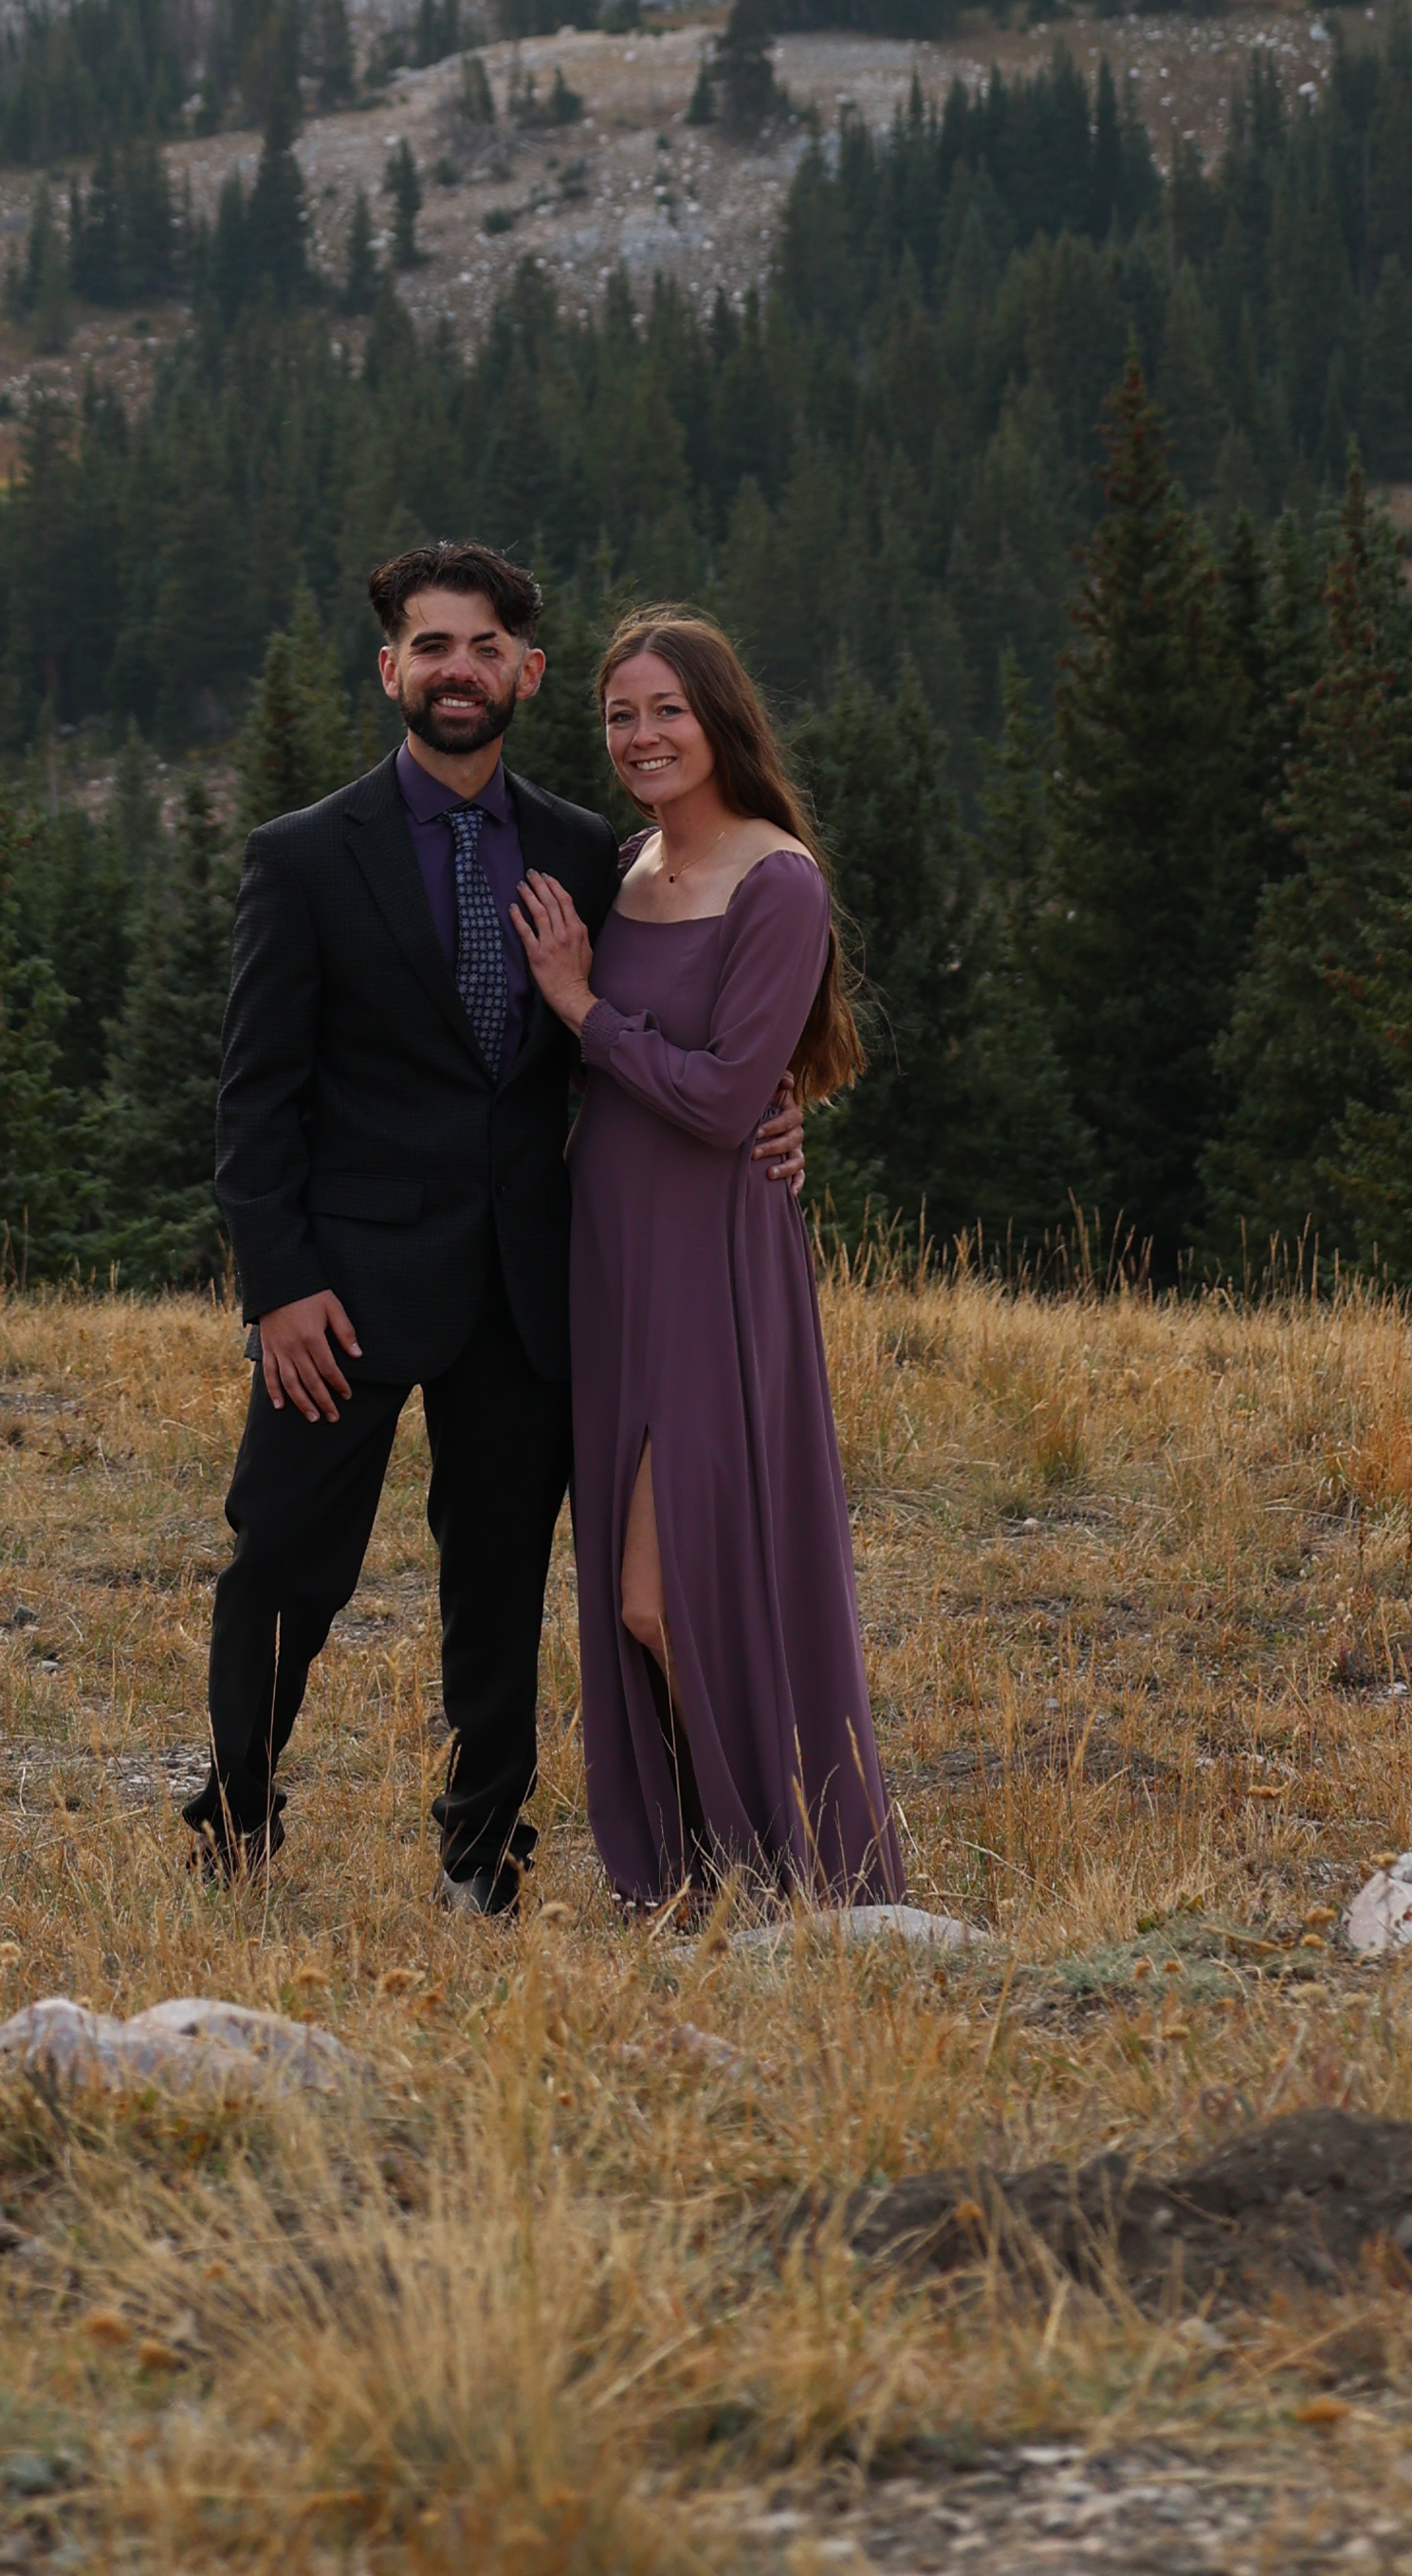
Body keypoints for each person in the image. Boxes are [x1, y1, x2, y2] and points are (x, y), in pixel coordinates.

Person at [192, 541, 808, 1914]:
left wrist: (779, 1110)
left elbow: (676, 1020)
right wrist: (278, 1284)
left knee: (503, 1584)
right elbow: (255, 1100)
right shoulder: (303, 858)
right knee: (284, 1562)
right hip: (340, 1294)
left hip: (534, 1288)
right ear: (390, 669)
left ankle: (482, 1856)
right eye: (431, 645)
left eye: (484, 648)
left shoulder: (592, 854)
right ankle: (236, 1815)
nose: (456, 670)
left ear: (526, 673)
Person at [509, 604, 907, 1910]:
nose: (641, 736)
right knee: (641, 1598)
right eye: (619, 715)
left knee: (666, 1595)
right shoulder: (625, 868)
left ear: (719, 718)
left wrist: (582, 1006)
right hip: (610, 1256)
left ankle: (787, 1865)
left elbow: (731, 1098)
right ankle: (696, 1875)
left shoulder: (778, 880)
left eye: (666, 710)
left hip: (713, 1263)